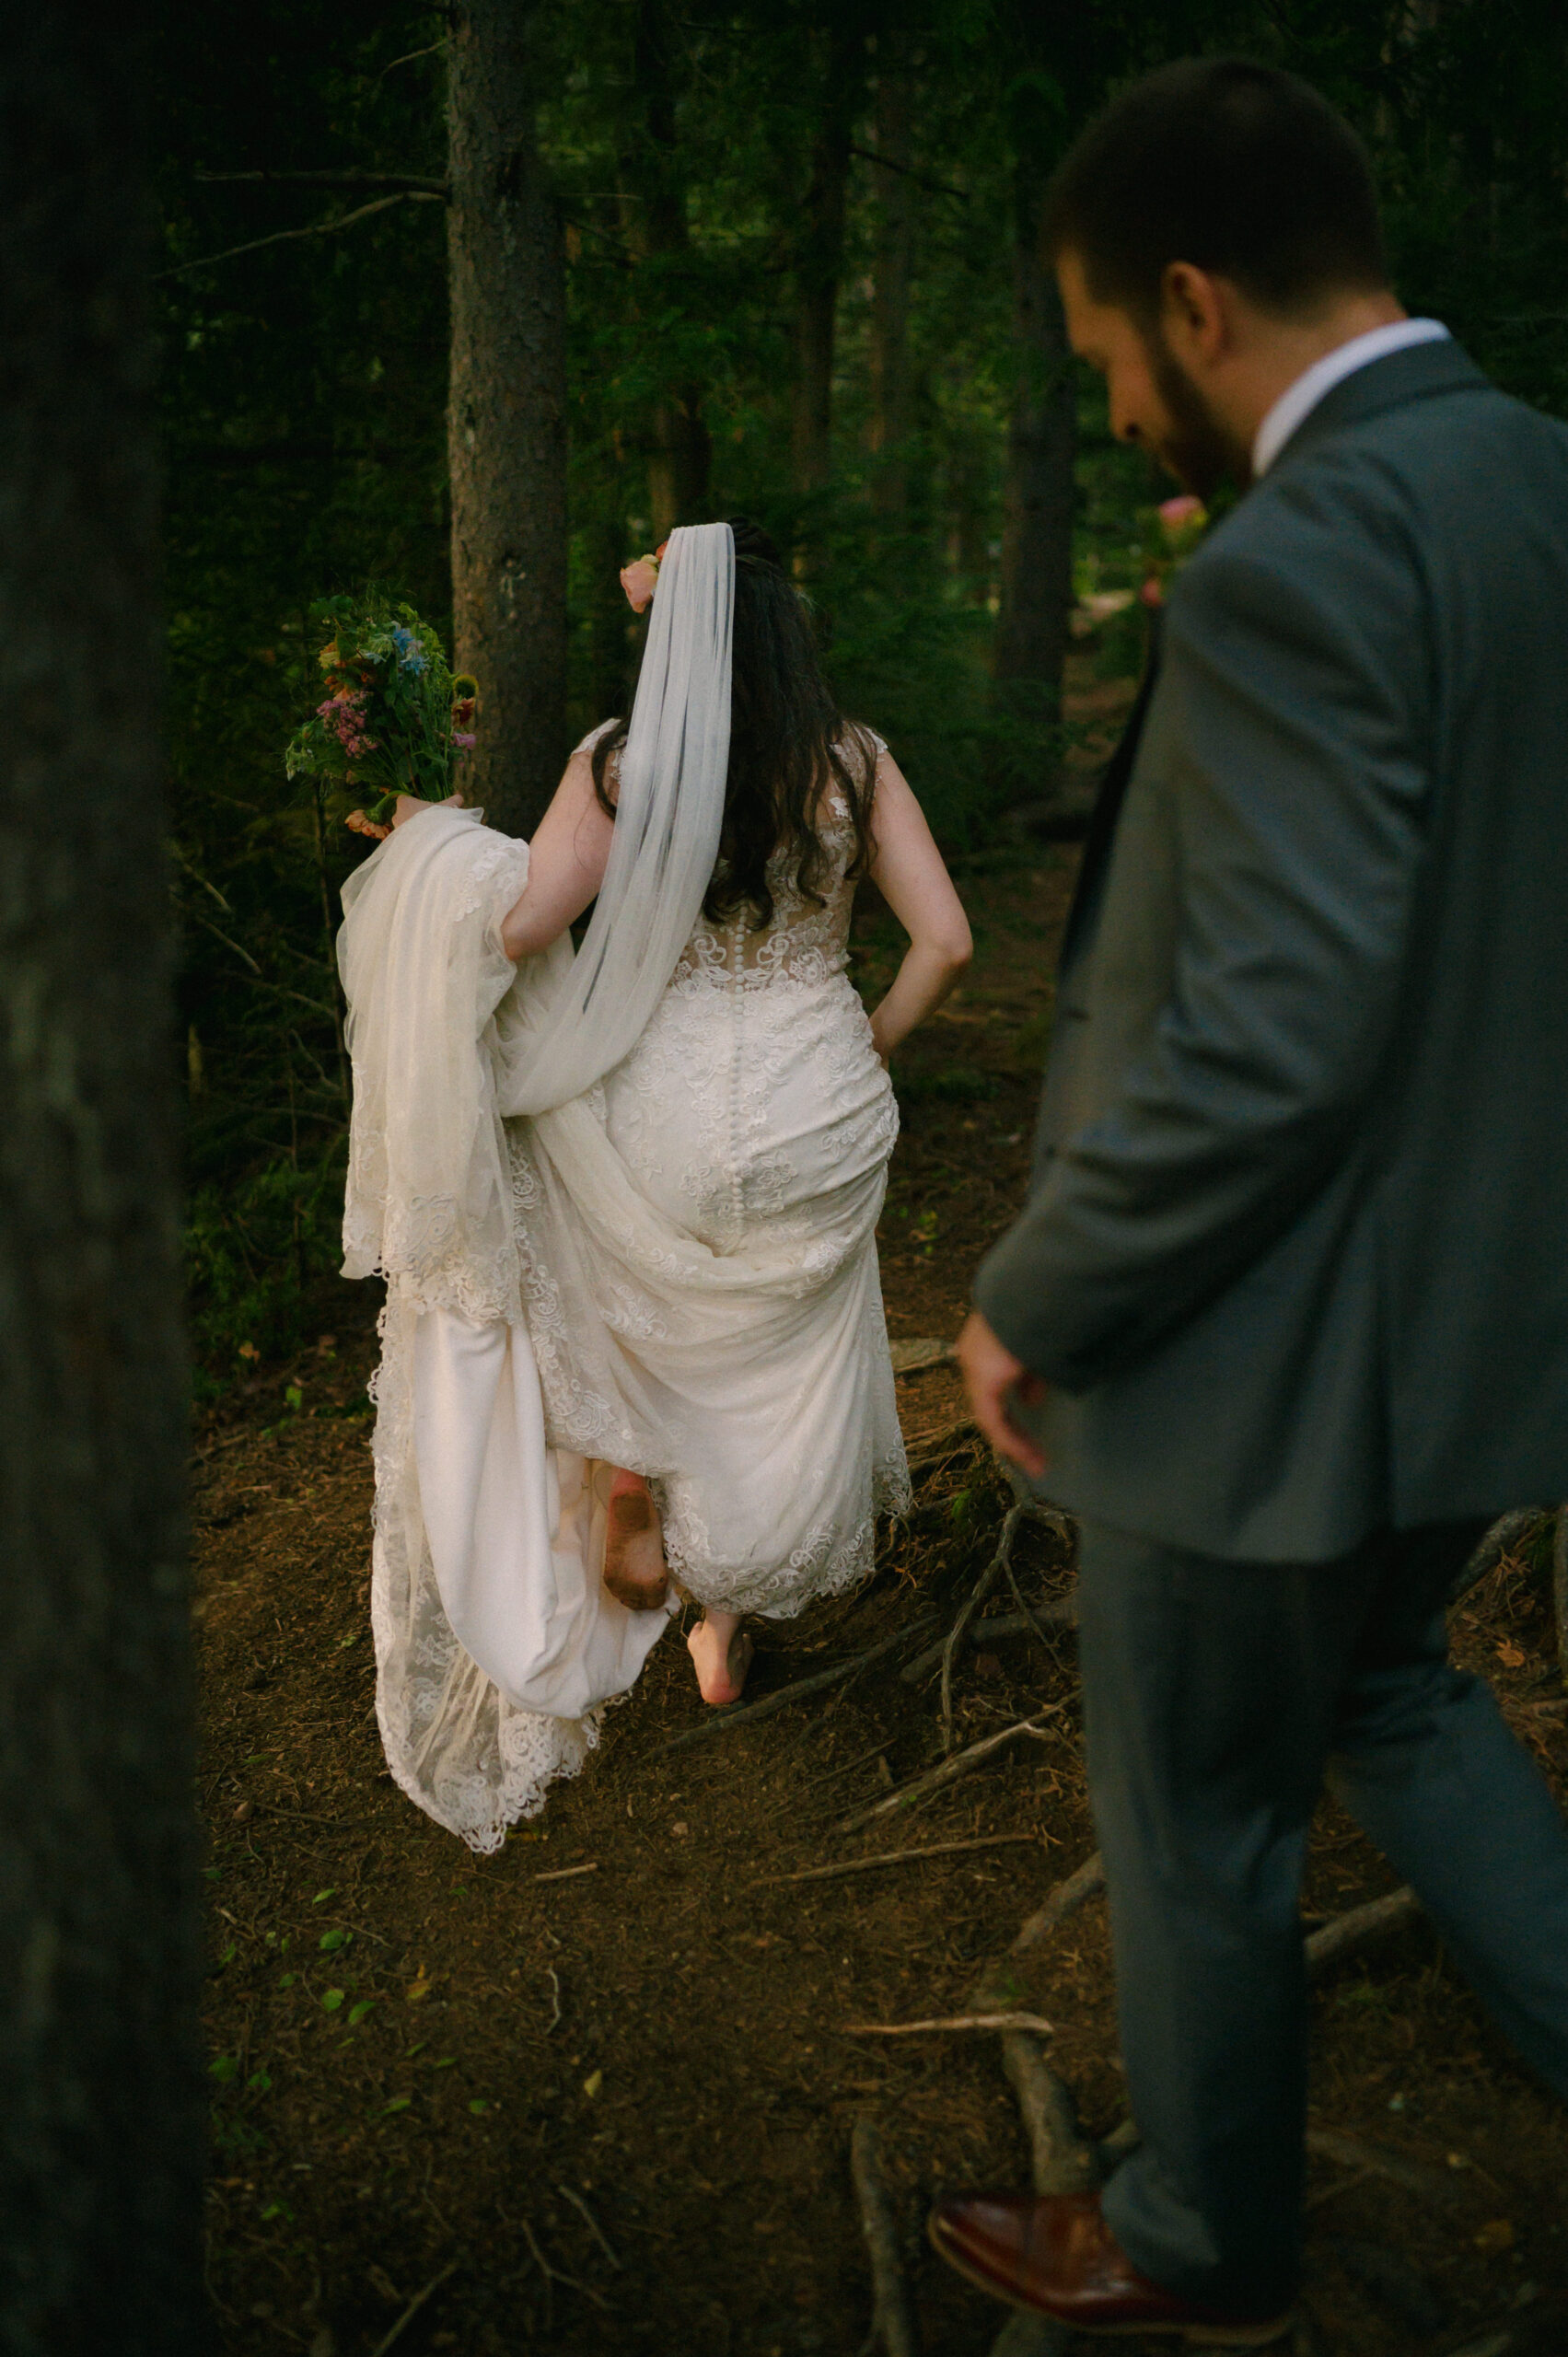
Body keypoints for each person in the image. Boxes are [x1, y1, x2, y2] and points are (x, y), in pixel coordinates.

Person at [935, 56, 1568, 2349]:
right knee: (1396, 1687)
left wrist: (1036, 1295)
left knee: (1199, 1814)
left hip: (1258, 1366)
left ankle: (1202, 2232)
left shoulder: (1303, 556)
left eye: (1106, 353)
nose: (1113, 409)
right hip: (1481, 1334)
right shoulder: (1541, 484)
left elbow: (1273, 1027)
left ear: (1193, 303)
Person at [337, 518, 970, 1851]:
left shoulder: (622, 766)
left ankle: (635, 1490)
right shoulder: (854, 761)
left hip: (665, 1107)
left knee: (607, 1260)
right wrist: (868, 1046)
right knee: (771, 1353)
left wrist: (426, 849)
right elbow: (948, 943)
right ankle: (723, 1619)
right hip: (821, 1102)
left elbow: (520, 925)